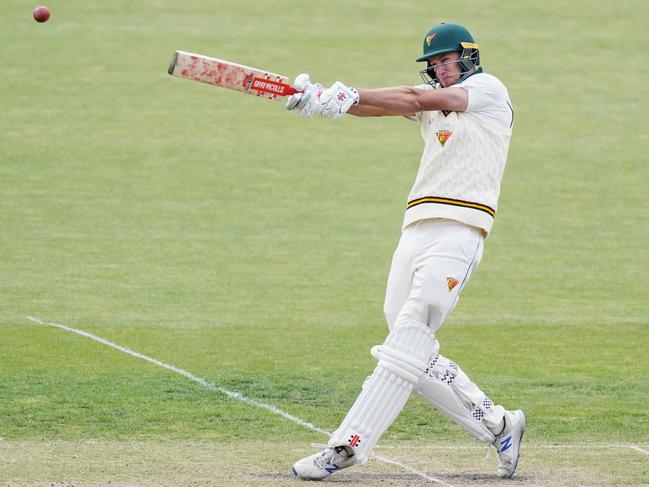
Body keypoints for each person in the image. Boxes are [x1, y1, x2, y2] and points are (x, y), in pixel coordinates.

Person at [286, 22, 524, 480]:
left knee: (410, 337)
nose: (440, 69)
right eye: (433, 64)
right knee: (405, 345)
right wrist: (320, 100)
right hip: (415, 228)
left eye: (446, 60)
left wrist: (348, 92)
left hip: (461, 229)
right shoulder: (430, 100)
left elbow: (411, 98)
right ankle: (499, 424)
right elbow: (385, 104)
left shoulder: (488, 90)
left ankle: (348, 445)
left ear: (469, 57)